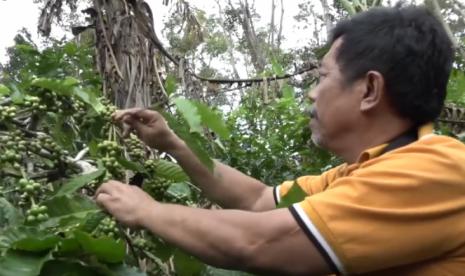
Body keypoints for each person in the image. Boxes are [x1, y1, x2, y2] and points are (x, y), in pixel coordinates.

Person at [95, 5, 465, 275]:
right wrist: (173, 143)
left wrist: (148, 211)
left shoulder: (436, 169)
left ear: (369, 89)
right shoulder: (362, 173)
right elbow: (258, 199)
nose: (311, 94)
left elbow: (258, 242)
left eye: (322, 77)